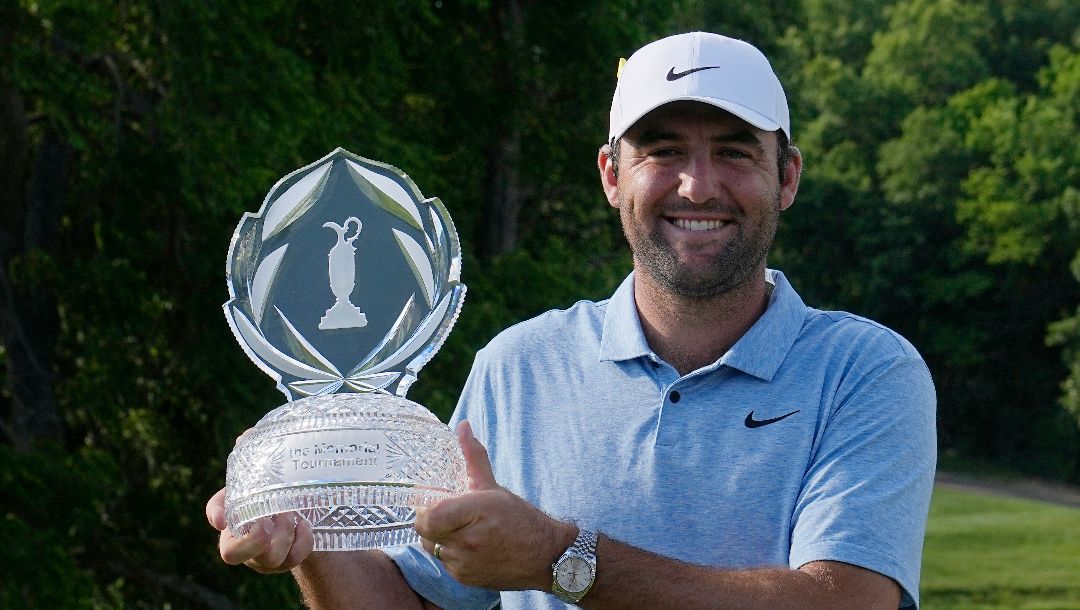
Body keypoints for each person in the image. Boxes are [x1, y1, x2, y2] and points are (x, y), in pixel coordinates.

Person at [207, 31, 936, 609]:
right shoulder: (518, 365)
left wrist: (558, 558)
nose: (698, 184)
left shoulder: (865, 370)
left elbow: (845, 602)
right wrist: (313, 542)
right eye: (663, 151)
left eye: (736, 153)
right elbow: (418, 603)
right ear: (612, 176)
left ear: (787, 176)